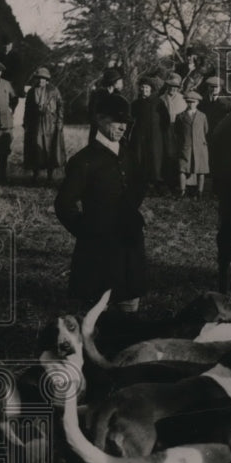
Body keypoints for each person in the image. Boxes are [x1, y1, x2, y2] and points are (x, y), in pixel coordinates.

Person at [54, 93, 147, 312]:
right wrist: (87, 231)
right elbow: (64, 204)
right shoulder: (84, 161)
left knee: (129, 307)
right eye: (117, 121)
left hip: (129, 243)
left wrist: (131, 213)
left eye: (126, 122)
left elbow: (139, 186)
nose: (123, 127)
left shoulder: (129, 155)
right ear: (99, 119)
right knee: (96, 313)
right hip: (98, 249)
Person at [22, 67, 66, 183]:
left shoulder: (54, 91)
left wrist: (59, 122)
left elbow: (60, 106)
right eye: (39, 78)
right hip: (35, 123)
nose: (41, 81)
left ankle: (50, 175)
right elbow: (27, 109)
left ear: (47, 80)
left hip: (50, 123)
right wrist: (26, 123)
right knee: (35, 147)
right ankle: (35, 174)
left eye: (43, 79)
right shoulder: (32, 91)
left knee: (50, 148)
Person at [130, 75, 167, 191]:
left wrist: (162, 133)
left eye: (147, 88)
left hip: (156, 136)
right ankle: (142, 183)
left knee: (155, 158)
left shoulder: (158, 102)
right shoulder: (136, 103)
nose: (144, 90)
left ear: (151, 89)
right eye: (142, 88)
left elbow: (165, 119)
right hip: (140, 135)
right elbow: (131, 119)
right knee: (140, 157)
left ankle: (157, 182)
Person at [174, 90, 210, 199]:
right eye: (189, 102)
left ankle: (200, 191)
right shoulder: (180, 116)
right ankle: (182, 191)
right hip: (186, 146)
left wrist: (200, 140)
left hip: (200, 146)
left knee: (201, 169)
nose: (191, 104)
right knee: (183, 168)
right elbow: (177, 131)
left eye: (193, 102)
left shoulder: (202, 116)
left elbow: (206, 130)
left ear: (197, 103)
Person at [159, 73, 187, 189]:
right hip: (165, 129)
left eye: (175, 87)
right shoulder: (161, 99)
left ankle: (178, 182)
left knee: (177, 154)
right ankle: (166, 180)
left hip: (178, 129)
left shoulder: (182, 99)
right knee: (166, 153)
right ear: (167, 86)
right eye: (170, 86)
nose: (173, 89)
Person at [88, 67, 124, 144]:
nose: (122, 84)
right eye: (120, 82)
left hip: (113, 133)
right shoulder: (98, 95)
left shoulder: (118, 95)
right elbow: (93, 114)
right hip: (100, 132)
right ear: (113, 83)